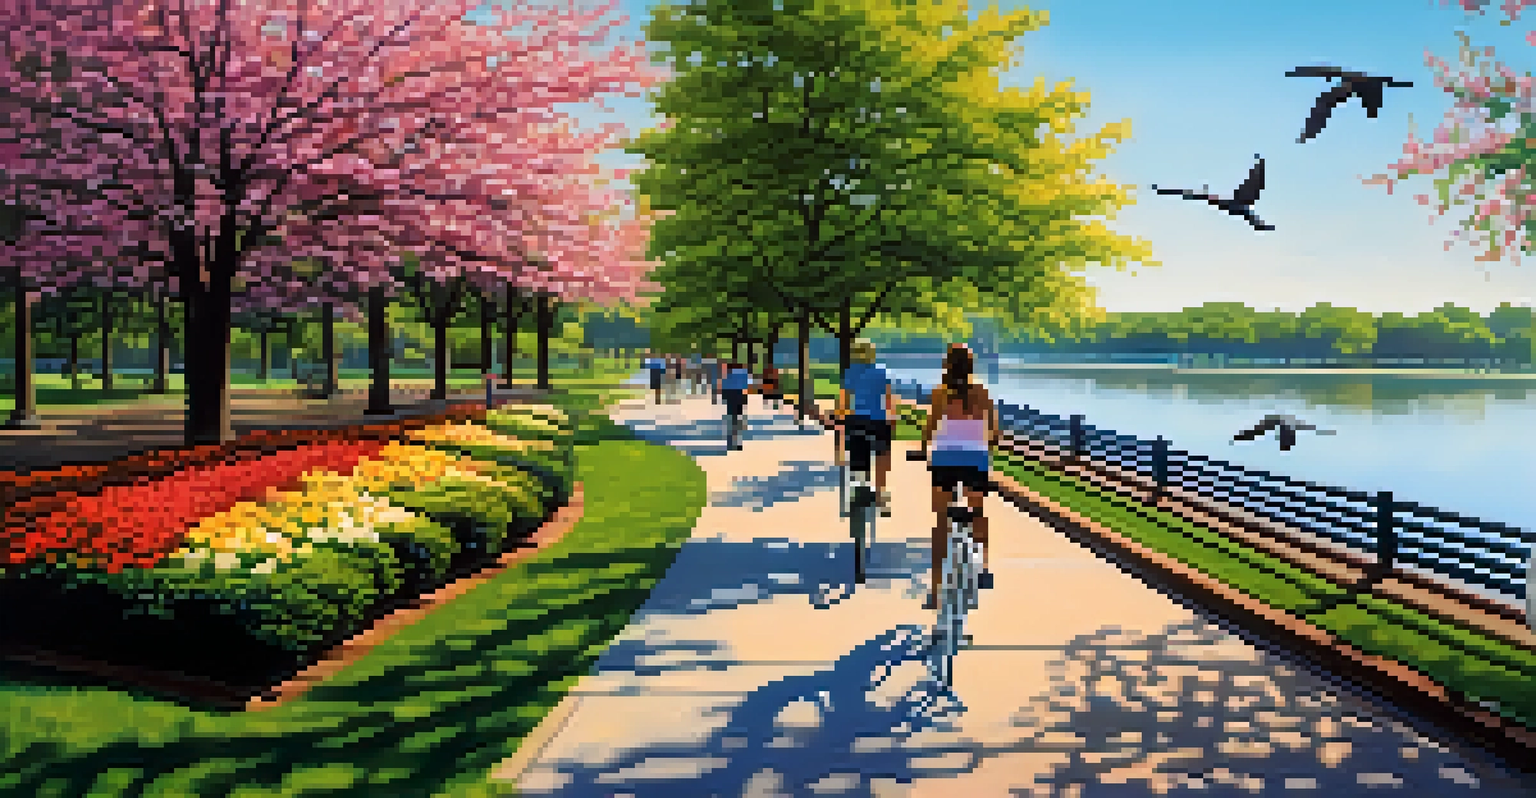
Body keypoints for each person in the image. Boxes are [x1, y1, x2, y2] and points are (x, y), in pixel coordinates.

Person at [915, 343, 1000, 610]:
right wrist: (987, 444)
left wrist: (923, 448)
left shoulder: (940, 393)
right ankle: (983, 567)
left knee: (941, 521)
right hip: (976, 459)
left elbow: (931, 426)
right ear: (971, 366)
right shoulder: (982, 392)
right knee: (977, 512)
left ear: (947, 365)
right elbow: (994, 430)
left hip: (944, 459)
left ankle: (935, 591)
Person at [835, 339, 895, 517]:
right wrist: (892, 418)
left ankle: (859, 488)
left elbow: (844, 402)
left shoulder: (850, 372)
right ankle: (881, 495)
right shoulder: (882, 372)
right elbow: (889, 401)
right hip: (878, 420)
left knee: (857, 452)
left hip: (857, 419)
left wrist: (840, 416)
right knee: (883, 454)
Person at [721, 360, 752, 449]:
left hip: (730, 395)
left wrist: (724, 396)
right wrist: (745, 399)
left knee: (731, 418)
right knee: (738, 418)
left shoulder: (727, 372)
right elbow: (746, 386)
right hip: (739, 395)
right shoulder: (743, 372)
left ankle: (730, 441)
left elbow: (724, 385)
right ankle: (738, 441)